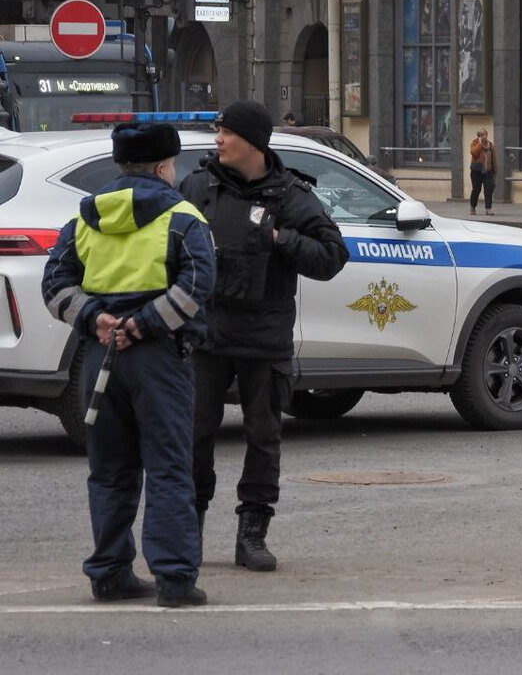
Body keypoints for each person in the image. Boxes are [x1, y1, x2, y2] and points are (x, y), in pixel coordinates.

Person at [42, 122, 215, 608]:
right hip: (158, 357)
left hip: (101, 357)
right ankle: (175, 579)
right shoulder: (182, 217)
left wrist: (98, 321)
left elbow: (55, 285)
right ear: (164, 166)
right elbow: (197, 285)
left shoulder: (84, 219)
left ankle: (110, 572)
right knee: (168, 467)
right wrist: (142, 325)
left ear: (120, 165)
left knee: (110, 469)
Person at [179, 100, 349, 573]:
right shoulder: (198, 187)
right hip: (207, 336)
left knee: (263, 438)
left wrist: (281, 241)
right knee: (193, 436)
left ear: (251, 141)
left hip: (263, 338)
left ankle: (252, 533)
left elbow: (333, 256)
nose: (217, 140)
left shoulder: (289, 195)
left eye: (225, 132)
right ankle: (187, 527)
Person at [468, 128, 497, 216]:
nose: (484, 137)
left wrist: (495, 170)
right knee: (476, 190)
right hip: (476, 172)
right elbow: (474, 153)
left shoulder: (491, 145)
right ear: (479, 136)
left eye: (485, 135)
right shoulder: (475, 143)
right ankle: (473, 207)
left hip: (488, 171)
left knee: (488, 190)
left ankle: (488, 209)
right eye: (482, 135)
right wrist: (480, 143)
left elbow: (494, 158)